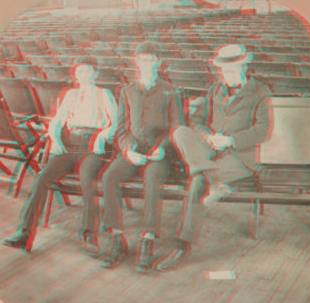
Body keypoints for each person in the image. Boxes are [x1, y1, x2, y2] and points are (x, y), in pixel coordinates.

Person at [153, 44, 272, 271]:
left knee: (197, 181)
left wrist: (229, 140)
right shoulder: (215, 89)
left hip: (238, 156)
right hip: (210, 149)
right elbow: (196, 121)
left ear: (242, 66)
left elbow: (263, 130)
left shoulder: (259, 92)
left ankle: (182, 246)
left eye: (229, 69)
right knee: (179, 131)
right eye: (221, 70)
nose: (224, 75)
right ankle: (216, 184)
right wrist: (208, 136)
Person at [1, 56, 117, 253]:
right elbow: (57, 121)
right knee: (40, 178)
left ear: (94, 73)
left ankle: (89, 234)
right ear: (75, 74)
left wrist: (102, 136)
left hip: (91, 144)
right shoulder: (70, 94)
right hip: (67, 144)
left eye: (88, 70)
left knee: (86, 179)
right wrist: (55, 139)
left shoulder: (103, 94)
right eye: (79, 71)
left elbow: (115, 122)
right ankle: (24, 232)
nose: (83, 74)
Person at [91, 41, 183, 274]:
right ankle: (116, 238)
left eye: (150, 59)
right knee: (109, 176)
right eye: (141, 59)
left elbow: (175, 127)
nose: (145, 64)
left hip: (158, 153)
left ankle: (147, 238)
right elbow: (120, 129)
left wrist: (162, 147)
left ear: (158, 62)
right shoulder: (126, 90)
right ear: (135, 62)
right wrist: (127, 149)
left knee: (151, 180)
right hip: (132, 150)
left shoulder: (170, 90)